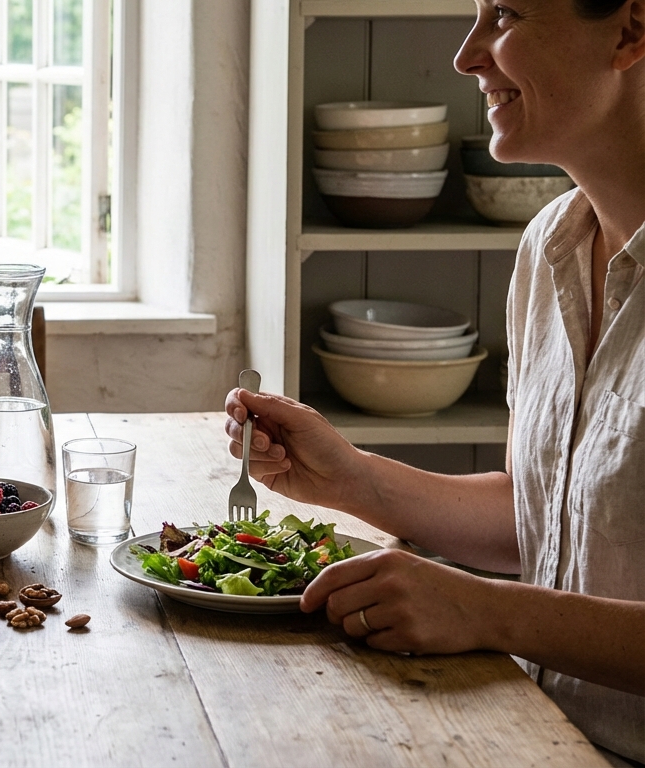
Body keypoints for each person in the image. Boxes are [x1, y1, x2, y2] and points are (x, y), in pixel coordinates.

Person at [225, 0, 645, 761]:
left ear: (630, 31)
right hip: (537, 735)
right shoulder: (551, 243)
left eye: (505, 15)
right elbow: (542, 519)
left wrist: (487, 613)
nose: (466, 56)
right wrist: (350, 478)